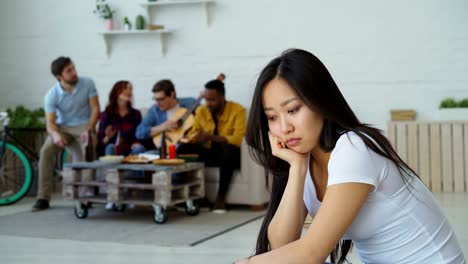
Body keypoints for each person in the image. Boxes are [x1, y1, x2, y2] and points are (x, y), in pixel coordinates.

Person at [236, 49, 465, 263]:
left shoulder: (354, 148)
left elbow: (310, 254)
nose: (284, 127)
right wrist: (296, 168)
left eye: (293, 110)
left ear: (320, 101)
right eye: (272, 117)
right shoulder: (305, 159)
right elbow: (282, 245)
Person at [32, 57, 100, 211]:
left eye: (73, 68)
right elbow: (50, 122)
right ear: (59, 77)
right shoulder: (51, 95)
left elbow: (95, 108)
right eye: (69, 71)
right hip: (63, 127)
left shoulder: (88, 83)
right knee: (45, 151)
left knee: (86, 149)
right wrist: (55, 135)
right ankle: (43, 197)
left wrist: (90, 129)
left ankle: (86, 194)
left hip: (84, 125)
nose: (74, 72)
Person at [178, 75, 246, 213]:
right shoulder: (202, 110)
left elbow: (238, 138)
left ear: (222, 97)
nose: (208, 103)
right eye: (206, 100)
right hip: (209, 151)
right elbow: (195, 131)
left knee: (229, 149)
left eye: (212, 100)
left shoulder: (237, 110)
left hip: (228, 155)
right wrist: (192, 137)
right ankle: (197, 197)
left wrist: (211, 137)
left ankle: (220, 199)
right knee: (183, 148)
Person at [135, 79, 197, 147]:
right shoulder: (155, 110)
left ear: (172, 95)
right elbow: (139, 132)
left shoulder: (190, 103)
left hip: (188, 146)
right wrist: (162, 127)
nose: (158, 103)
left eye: (161, 99)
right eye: (155, 99)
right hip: (165, 147)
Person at [97, 80, 145, 157]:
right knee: (110, 147)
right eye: (125, 88)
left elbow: (140, 136)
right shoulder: (106, 114)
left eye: (130, 89)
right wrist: (107, 137)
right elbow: (100, 145)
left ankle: (129, 166)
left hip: (130, 151)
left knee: (140, 149)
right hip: (113, 151)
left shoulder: (136, 114)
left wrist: (137, 143)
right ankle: (113, 168)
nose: (129, 91)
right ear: (116, 93)